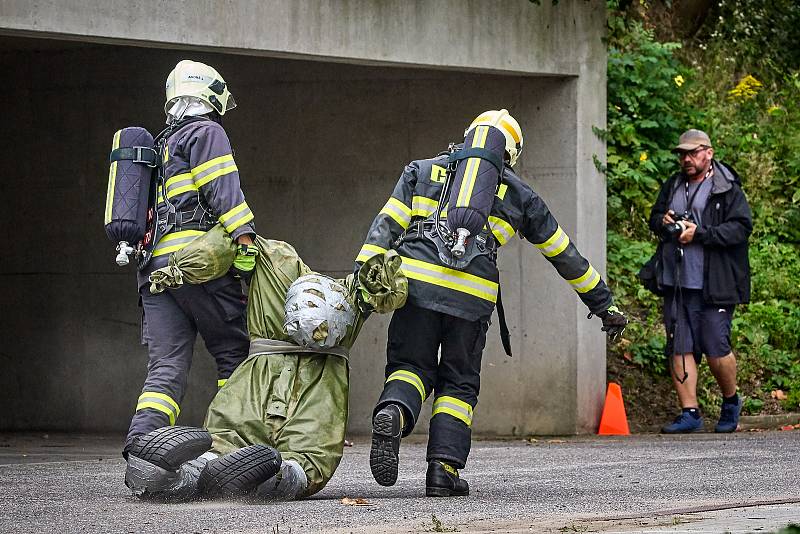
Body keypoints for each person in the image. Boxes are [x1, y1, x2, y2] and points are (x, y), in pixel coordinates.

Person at [355, 109, 627, 497]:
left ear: (467, 138)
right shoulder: (519, 194)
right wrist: (603, 304)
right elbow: (564, 254)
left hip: (416, 287)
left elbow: (386, 226)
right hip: (472, 299)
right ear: (511, 154)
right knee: (458, 382)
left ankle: (393, 413)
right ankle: (442, 471)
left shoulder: (422, 170)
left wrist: (360, 277)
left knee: (409, 366)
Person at [123, 237, 408, 502]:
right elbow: (234, 240)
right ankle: (195, 472)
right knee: (249, 446)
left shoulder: (329, 288)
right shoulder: (278, 263)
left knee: (281, 454)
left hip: (277, 391)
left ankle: (249, 474)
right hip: (290, 392)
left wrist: (182, 268)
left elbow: (391, 287)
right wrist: (184, 266)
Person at [123, 60, 259, 458]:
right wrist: (245, 238)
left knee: (166, 366)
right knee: (232, 351)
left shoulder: (158, 146)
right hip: (196, 264)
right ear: (209, 94)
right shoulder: (207, 132)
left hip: (153, 271)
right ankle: (228, 447)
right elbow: (221, 187)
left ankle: (141, 444)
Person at [648, 129, 752, 434]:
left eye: (692, 153)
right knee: (679, 345)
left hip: (715, 281)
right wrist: (663, 221)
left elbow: (741, 228)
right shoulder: (674, 183)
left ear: (709, 152)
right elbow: (654, 218)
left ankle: (731, 400)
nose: (686, 159)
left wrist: (701, 234)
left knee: (715, 346)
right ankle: (689, 411)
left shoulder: (727, 188)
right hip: (677, 279)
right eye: (682, 154)